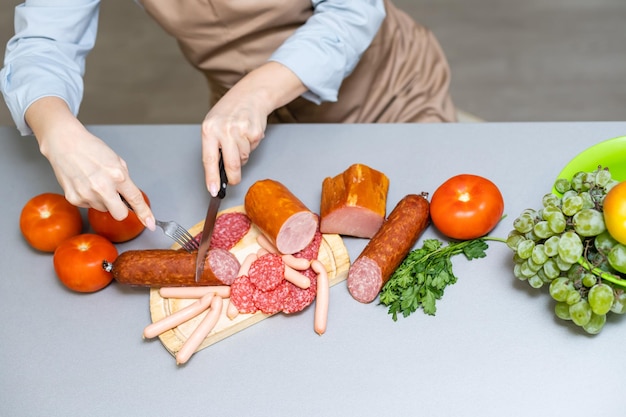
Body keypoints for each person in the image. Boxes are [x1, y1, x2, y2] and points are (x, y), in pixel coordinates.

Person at [0, 0, 456, 231]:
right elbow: (43, 44)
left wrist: (259, 91)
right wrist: (55, 129)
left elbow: (353, 8)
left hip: (386, 90)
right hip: (247, 123)